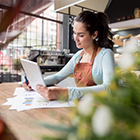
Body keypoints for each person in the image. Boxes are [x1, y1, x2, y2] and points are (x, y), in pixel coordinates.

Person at [23, 10, 115, 100]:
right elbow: (57, 77)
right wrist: (36, 83)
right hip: (83, 106)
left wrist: (65, 92)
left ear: (94, 34)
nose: (75, 39)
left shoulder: (105, 54)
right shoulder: (78, 56)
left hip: (101, 107)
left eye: (81, 35)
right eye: (74, 33)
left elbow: (109, 88)